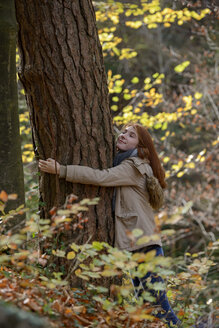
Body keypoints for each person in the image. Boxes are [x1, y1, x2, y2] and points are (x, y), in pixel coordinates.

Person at [39, 123, 181, 327]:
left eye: (131, 135)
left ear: (140, 146)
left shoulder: (133, 166)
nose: (123, 136)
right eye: (124, 131)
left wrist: (62, 170)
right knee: (147, 308)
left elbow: (101, 177)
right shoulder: (129, 162)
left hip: (146, 247)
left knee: (158, 307)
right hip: (142, 246)